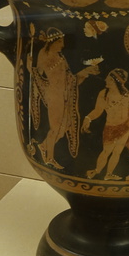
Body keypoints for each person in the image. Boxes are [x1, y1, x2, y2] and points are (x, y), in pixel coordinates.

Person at [31, 28, 100, 169]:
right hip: (55, 95)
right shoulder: (44, 54)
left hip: (64, 95)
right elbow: (38, 75)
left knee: (64, 127)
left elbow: (70, 79)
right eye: (60, 42)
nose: (62, 45)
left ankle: (44, 146)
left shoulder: (60, 57)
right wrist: (29, 66)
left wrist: (86, 72)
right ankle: (49, 158)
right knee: (55, 128)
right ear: (52, 42)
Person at [81, 68, 129, 181]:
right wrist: (88, 118)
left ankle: (109, 174)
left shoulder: (128, 95)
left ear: (117, 81)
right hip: (110, 127)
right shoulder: (104, 94)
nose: (106, 80)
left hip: (125, 126)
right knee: (106, 151)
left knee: (117, 152)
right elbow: (98, 110)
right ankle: (97, 171)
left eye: (109, 79)